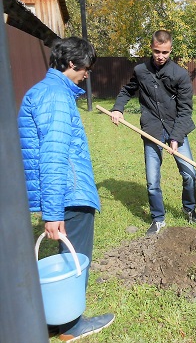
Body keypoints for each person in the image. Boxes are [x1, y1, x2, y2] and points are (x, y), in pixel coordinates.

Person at [17, 37, 115, 341]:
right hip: (70, 193)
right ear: (72, 63)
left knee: (65, 255)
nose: (87, 74)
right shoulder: (56, 98)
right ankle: (71, 326)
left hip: (63, 192)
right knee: (75, 258)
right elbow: (53, 155)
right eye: (86, 67)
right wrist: (54, 211)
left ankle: (51, 319)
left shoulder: (43, 91)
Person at [111, 29, 196, 235]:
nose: (160, 56)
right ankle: (158, 219)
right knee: (153, 180)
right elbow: (127, 90)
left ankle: (190, 210)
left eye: (165, 52)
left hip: (176, 128)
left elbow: (185, 110)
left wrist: (176, 138)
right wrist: (118, 108)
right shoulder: (141, 70)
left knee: (190, 174)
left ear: (171, 51)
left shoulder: (180, 74)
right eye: (157, 51)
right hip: (151, 129)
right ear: (151, 48)